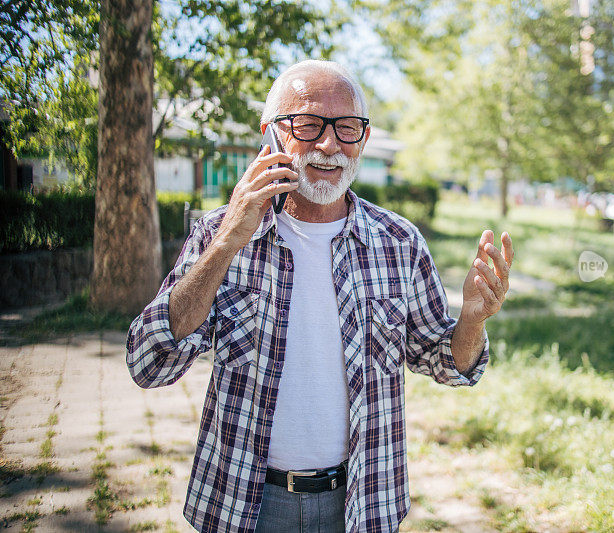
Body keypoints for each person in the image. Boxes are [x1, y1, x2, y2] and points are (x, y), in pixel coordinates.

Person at [126, 59, 514, 533]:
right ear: (270, 136)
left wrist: (471, 321)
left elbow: (445, 363)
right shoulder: (218, 233)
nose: (328, 144)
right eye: (308, 125)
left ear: (364, 140)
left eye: (347, 128)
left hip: (362, 503)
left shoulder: (400, 242)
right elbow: (149, 362)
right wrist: (228, 241)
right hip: (243, 504)